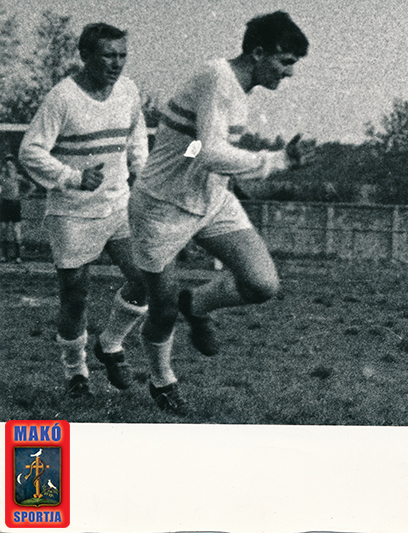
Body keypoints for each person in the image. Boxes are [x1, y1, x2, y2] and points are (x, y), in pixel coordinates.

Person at [129, 11, 314, 416]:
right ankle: (162, 380)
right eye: (285, 62)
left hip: (211, 199)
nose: (289, 73)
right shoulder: (217, 76)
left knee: (262, 283)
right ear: (258, 53)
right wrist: (278, 160)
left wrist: (193, 157)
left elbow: (200, 149)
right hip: (162, 206)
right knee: (161, 310)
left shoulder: (240, 91)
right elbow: (211, 152)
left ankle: (196, 304)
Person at [18, 23, 149, 399]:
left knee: (145, 278)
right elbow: (30, 150)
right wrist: (72, 177)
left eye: (122, 55)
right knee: (75, 297)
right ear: (86, 55)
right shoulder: (62, 97)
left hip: (118, 205)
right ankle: (76, 371)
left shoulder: (128, 90)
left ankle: (111, 344)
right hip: (72, 213)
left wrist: (140, 171)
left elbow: (136, 135)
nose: (116, 63)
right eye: (108, 55)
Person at [0, 155, 34, 263]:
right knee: (3, 229)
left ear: (14, 167)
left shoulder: (17, 177)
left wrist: (24, 195)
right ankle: (4, 255)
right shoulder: (2, 178)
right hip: (4, 204)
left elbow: (32, 186)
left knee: (16, 231)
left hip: (15, 204)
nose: (9, 168)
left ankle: (18, 256)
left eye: (11, 166)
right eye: (7, 165)